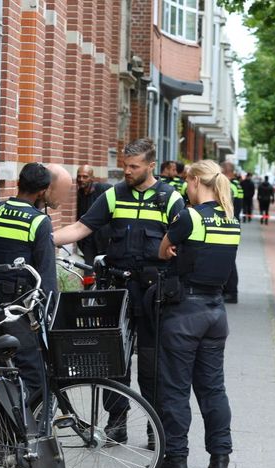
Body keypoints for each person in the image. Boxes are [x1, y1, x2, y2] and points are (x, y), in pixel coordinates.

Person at [53, 138, 185, 426]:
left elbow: (183, 242)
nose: (127, 171)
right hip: (118, 290)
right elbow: (81, 227)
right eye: (125, 165)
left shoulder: (170, 198)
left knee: (152, 364)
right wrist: (44, 239)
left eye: (134, 166)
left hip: (154, 293)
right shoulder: (114, 195)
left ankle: (156, 427)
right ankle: (116, 424)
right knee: (113, 359)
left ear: (151, 166)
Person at [155, 160, 240, 468]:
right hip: (216, 313)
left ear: (193, 181)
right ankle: (220, 460)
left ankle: (176, 461)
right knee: (213, 388)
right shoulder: (232, 220)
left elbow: (164, 251)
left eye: (186, 182)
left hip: (185, 313)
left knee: (176, 389)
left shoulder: (189, 216)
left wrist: (175, 248)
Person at [0, 162, 57, 398]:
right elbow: (47, 278)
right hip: (19, 308)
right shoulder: (39, 222)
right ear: (43, 191)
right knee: (32, 374)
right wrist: (51, 314)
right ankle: (23, 429)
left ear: (18, 183)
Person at [74, 164, 109, 261]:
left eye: (85, 176)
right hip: (88, 241)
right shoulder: (79, 194)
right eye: (79, 176)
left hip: (104, 241)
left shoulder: (103, 189)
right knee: (88, 272)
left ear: (92, 178)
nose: (81, 179)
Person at [220, 161, 242, 304]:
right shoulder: (236, 185)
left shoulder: (229, 186)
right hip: (233, 223)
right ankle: (230, 291)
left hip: (227, 223)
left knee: (228, 261)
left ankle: (231, 292)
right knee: (229, 259)